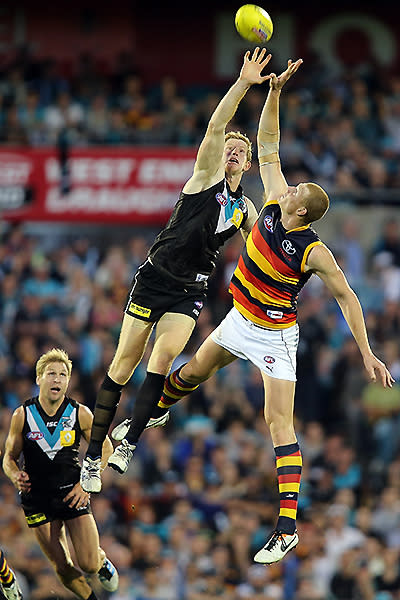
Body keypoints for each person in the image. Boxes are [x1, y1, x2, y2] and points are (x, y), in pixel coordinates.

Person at [109, 59, 394, 564]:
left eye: (297, 190)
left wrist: (367, 353)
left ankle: (287, 526)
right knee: (192, 370)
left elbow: (347, 297)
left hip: (275, 335)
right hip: (239, 317)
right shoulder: (271, 200)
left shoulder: (313, 250)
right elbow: (269, 144)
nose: (287, 185)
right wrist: (275, 93)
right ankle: (149, 414)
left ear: (302, 210)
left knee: (277, 424)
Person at [80, 47, 273, 493]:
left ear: (247, 164)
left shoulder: (244, 208)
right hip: (155, 278)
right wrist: (244, 83)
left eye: (239, 151)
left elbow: (258, 252)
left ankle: (129, 441)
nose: (231, 151)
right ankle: (94, 455)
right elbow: (215, 125)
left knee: (163, 360)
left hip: (190, 290)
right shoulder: (205, 177)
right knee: (124, 365)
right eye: (228, 147)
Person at [2, 348, 119, 600]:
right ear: (38, 378)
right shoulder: (22, 415)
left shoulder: (80, 413)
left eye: (62, 374)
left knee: (88, 563)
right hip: (37, 500)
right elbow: (8, 458)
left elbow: (106, 448)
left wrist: (86, 483)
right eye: (51, 373)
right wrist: (14, 475)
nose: (57, 379)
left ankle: (101, 562)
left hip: (72, 494)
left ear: (68, 380)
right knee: (62, 566)